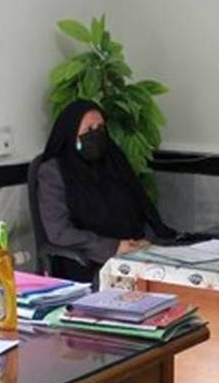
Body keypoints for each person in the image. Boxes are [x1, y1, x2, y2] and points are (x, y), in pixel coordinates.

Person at [36, 99, 175, 282]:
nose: (96, 134)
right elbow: (59, 231)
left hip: (134, 253)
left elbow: (141, 207)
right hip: (87, 262)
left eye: (100, 128)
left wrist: (144, 241)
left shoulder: (113, 161)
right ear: (71, 133)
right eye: (88, 130)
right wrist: (113, 247)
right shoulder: (54, 171)